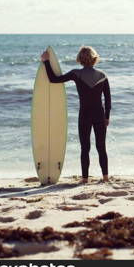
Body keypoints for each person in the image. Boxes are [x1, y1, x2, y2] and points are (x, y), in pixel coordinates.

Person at [40, 46, 111, 183]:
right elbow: (108, 99)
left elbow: (54, 79)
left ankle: (84, 179)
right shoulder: (102, 76)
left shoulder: (76, 74)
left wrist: (46, 61)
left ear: (79, 59)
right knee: (101, 146)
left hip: (84, 114)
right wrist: (107, 116)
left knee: (85, 148)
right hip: (99, 115)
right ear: (95, 59)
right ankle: (105, 177)